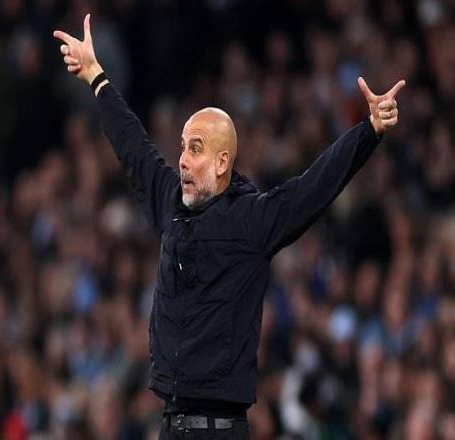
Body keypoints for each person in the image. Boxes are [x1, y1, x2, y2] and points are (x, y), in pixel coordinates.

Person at [54, 14, 405, 439]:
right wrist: (96, 76)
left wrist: (369, 130)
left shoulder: (252, 220)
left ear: (222, 162)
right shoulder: (171, 202)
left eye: (195, 149)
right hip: (170, 426)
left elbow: (315, 186)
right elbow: (134, 146)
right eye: (183, 147)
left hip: (220, 430)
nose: (182, 159)